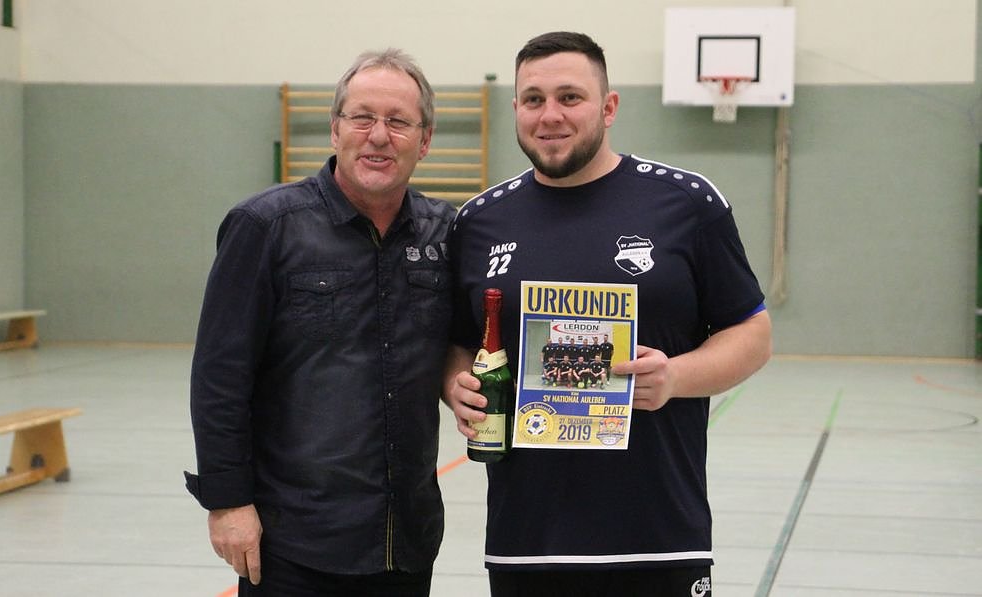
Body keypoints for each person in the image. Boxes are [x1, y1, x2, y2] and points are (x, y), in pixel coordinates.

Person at [443, 31, 772, 596]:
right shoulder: (478, 222)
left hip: (660, 537)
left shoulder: (687, 203)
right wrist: (456, 386)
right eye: (533, 99)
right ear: (516, 109)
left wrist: (675, 377)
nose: (550, 115)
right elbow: (457, 342)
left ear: (609, 107)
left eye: (570, 97)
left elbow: (752, 333)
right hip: (527, 541)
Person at [184, 48, 455, 596]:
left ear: (424, 140)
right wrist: (228, 502)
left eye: (398, 122)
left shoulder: (445, 233)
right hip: (293, 543)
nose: (378, 136)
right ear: (335, 129)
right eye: (362, 117)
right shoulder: (265, 227)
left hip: (406, 542)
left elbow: (466, 345)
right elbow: (220, 377)